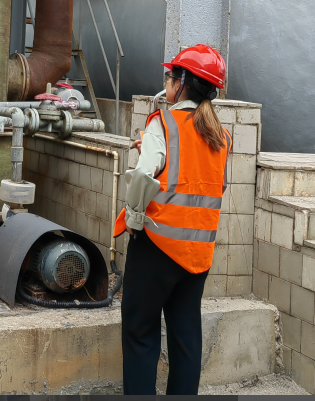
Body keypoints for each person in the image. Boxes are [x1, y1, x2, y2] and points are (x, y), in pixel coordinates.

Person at [112, 45, 232, 395]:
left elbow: (142, 177)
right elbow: (212, 184)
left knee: (140, 333)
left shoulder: (162, 123)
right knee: (186, 337)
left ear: (182, 83)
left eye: (170, 76)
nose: (166, 82)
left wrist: (134, 220)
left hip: (157, 248)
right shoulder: (222, 136)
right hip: (198, 255)